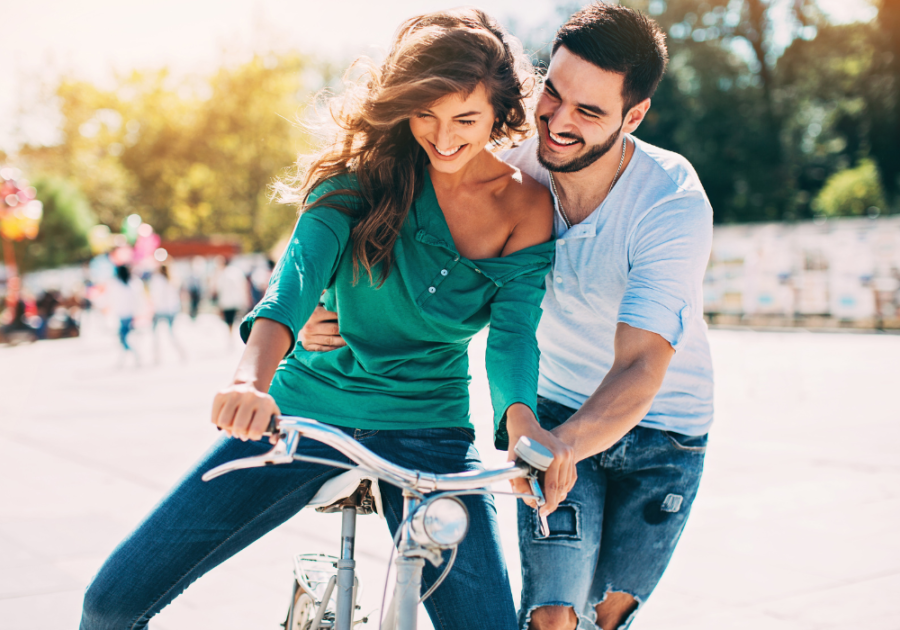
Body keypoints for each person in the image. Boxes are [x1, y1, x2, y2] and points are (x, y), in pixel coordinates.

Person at [80, 9, 573, 630]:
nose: (443, 137)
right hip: (305, 413)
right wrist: (247, 384)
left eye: (465, 120)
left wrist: (522, 425)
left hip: (431, 428)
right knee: (109, 604)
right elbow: (294, 287)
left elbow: (512, 336)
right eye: (426, 115)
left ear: (501, 110)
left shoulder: (525, 205)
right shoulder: (356, 176)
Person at [301, 5, 714, 630]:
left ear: (634, 117)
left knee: (607, 615)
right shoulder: (506, 169)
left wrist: (561, 449)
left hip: (666, 432)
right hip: (550, 407)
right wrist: (324, 306)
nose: (559, 121)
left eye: (590, 112)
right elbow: (380, 208)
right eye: (554, 93)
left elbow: (641, 361)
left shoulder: (669, 202)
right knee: (553, 616)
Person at [106, 264, 145, 365]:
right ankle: (126, 359)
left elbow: (111, 298)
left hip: (123, 314)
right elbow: (137, 299)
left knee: (124, 338)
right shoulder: (132, 283)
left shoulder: (116, 283)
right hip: (129, 313)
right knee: (125, 338)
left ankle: (133, 357)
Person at [148, 263, 185, 362]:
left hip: (160, 309)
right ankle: (181, 353)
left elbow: (154, 295)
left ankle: (156, 356)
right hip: (172, 310)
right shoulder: (173, 279)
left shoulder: (157, 280)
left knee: (156, 334)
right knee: (171, 334)